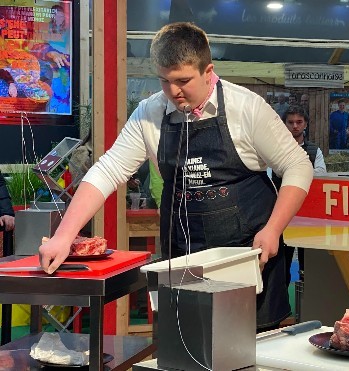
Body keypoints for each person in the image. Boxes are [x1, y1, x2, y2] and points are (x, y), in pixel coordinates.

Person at [38, 22, 313, 331]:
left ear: (208, 71)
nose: (173, 92)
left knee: (249, 351)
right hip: (182, 256)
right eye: (164, 81)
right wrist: (64, 235)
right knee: (184, 347)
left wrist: (273, 229)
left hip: (248, 256)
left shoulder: (246, 108)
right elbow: (107, 170)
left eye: (183, 80)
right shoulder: (150, 112)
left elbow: (298, 166)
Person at [273, 105, 327, 285]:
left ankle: (307, 306)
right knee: (281, 264)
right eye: (290, 122)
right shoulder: (274, 149)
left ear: (305, 124)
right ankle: (283, 309)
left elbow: (320, 178)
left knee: (308, 264)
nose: (295, 126)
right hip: (281, 215)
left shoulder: (315, 151)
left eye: (299, 122)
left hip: (308, 216)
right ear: (284, 124)